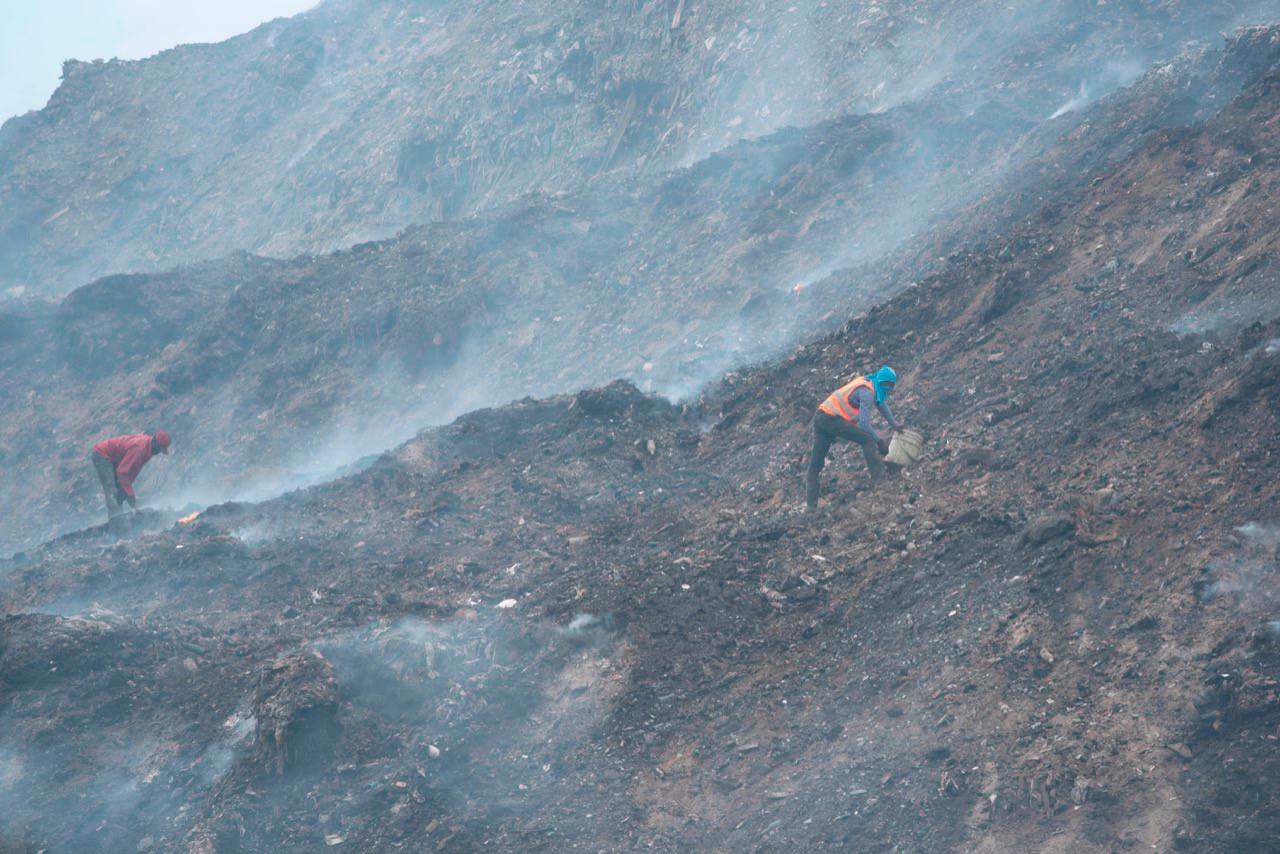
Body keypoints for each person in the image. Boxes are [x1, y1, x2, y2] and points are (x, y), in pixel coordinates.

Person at [806, 366, 901, 510]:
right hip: (830, 419)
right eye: (889, 386)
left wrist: (895, 425)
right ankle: (880, 479)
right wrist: (879, 442)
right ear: (884, 382)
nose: (890, 389)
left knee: (815, 465)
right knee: (867, 440)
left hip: (821, 417)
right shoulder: (868, 392)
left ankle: (810, 507)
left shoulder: (870, 383)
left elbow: (881, 404)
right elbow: (864, 424)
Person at [91, 431, 171, 519]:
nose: (159, 452)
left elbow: (133, 469)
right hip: (102, 455)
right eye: (159, 448)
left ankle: (119, 518)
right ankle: (116, 521)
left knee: (121, 492)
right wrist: (129, 493)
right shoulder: (139, 449)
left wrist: (126, 490)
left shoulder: (149, 449)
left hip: (114, 459)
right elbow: (122, 472)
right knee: (112, 492)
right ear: (155, 442)